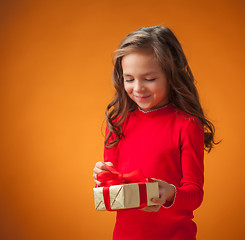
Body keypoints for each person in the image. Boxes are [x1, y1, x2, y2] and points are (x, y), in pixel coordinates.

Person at [93, 26, 219, 240]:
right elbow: (114, 193)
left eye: (149, 79)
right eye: (129, 79)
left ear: (171, 76)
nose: (138, 88)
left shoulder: (187, 124)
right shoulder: (117, 123)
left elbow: (195, 194)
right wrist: (102, 178)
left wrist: (169, 192)